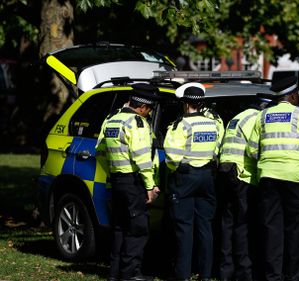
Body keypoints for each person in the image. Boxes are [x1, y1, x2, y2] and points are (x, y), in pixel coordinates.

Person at [246, 76, 299, 281]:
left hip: (268, 178)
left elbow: (252, 151)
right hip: (293, 178)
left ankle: (273, 276)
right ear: (293, 96)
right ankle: (292, 276)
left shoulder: (263, 116)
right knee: (293, 229)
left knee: (272, 229)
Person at [95, 83, 161, 281]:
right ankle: (130, 274)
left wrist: (113, 172)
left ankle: (114, 273)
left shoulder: (112, 119)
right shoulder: (136, 123)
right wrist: (149, 185)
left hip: (117, 182)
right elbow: (142, 158)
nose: (148, 113)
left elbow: (99, 152)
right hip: (133, 183)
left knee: (119, 229)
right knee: (137, 230)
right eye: (149, 109)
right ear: (143, 107)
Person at [164, 82, 224, 281]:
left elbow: (171, 155)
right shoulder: (213, 123)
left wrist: (178, 168)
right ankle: (205, 275)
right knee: (205, 228)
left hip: (186, 177)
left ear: (186, 103)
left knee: (184, 228)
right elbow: (216, 149)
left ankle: (183, 275)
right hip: (207, 178)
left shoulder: (181, 124)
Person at [218, 99, 270, 281]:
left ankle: (226, 271)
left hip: (226, 173)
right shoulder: (257, 119)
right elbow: (254, 150)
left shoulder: (238, 117)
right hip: (243, 175)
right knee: (243, 225)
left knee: (227, 224)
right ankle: (244, 273)